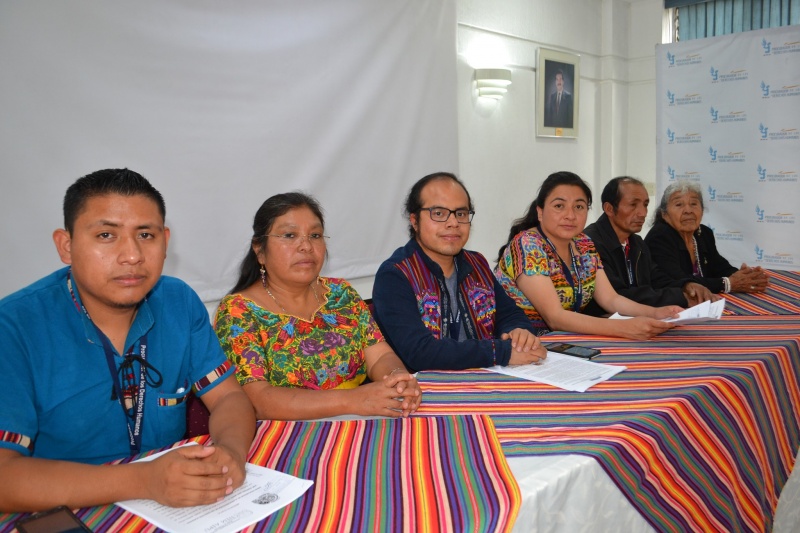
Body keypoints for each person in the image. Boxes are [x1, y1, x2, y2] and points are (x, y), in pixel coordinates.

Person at [0, 169, 255, 513]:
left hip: (178, 507)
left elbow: (229, 398)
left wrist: (231, 452)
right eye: (106, 234)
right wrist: (144, 481)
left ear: (165, 241)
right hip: (67, 511)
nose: (132, 255)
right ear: (66, 245)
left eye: (146, 235)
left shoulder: (178, 301)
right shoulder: (14, 326)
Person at [214, 192, 421, 421]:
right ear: (260, 250)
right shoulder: (238, 311)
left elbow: (380, 356)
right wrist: (354, 400)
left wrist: (397, 379)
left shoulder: (341, 294)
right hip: (285, 435)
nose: (306, 246)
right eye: (289, 235)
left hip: (361, 421)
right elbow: (259, 400)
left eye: (315, 235)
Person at [372, 172, 545, 372]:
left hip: (485, 379)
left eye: (461, 214)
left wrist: (518, 331)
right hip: (425, 391)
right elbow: (420, 353)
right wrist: (500, 352)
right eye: (438, 213)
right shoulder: (395, 275)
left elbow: (510, 314)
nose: (453, 223)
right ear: (414, 220)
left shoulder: (476, 263)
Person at [495, 171, 682, 340]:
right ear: (540, 211)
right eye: (559, 206)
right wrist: (622, 327)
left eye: (579, 207)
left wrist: (655, 313)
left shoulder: (584, 244)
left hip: (565, 341)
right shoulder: (528, 244)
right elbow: (555, 317)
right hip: (522, 342)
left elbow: (611, 299)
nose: (570, 215)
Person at [582, 176, 717, 316]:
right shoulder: (590, 244)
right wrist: (679, 296)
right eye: (633, 205)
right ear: (609, 209)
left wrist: (686, 286)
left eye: (645, 205)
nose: (643, 213)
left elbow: (657, 278)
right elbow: (617, 295)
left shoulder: (637, 243)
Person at [645, 181, 769, 294]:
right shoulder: (659, 237)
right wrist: (727, 283)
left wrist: (746, 276)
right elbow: (680, 281)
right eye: (679, 204)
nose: (688, 210)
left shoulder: (704, 233)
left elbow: (719, 266)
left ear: (702, 211)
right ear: (664, 214)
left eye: (694, 204)